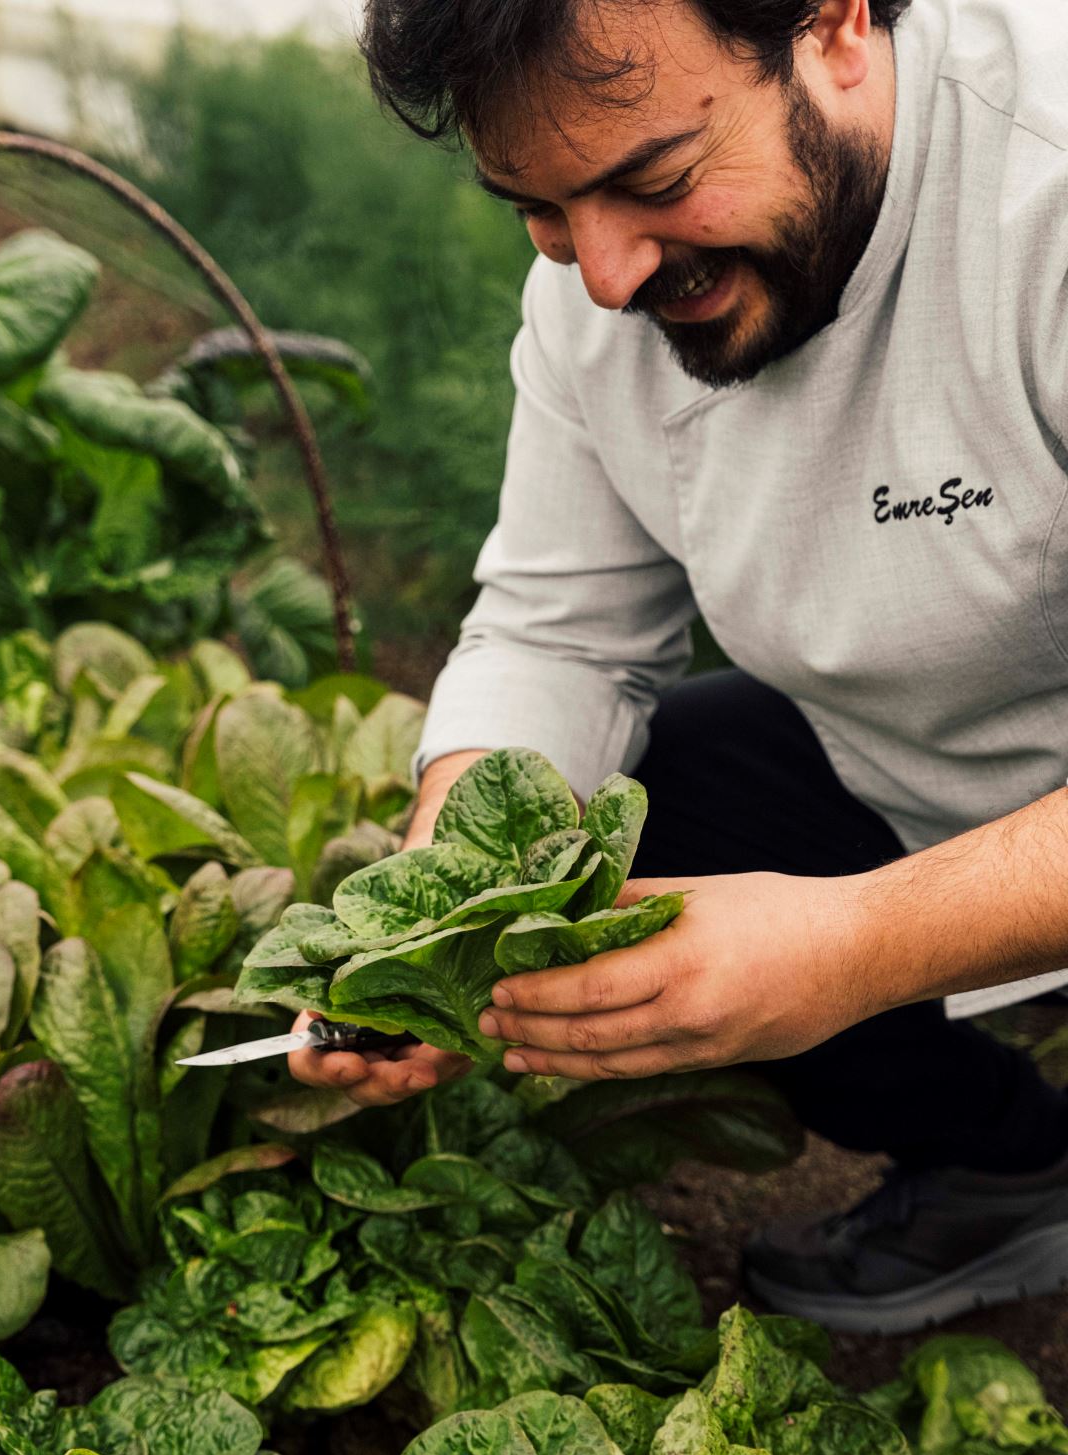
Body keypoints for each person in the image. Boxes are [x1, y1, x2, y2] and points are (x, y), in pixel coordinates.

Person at [289, 0, 1068, 1334]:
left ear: (835, 27)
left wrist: (850, 945)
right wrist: (444, 922)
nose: (599, 274)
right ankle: (1019, 1168)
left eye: (654, 182)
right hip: (935, 781)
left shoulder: (1038, 202)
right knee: (660, 805)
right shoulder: (605, 284)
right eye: (536, 211)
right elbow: (560, 630)